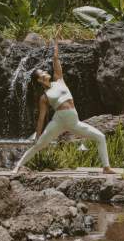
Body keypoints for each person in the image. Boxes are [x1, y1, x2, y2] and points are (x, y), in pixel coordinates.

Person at [13, 37, 115, 174]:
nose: (45, 72)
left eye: (44, 71)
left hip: (74, 123)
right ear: (39, 80)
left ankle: (106, 168)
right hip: (58, 122)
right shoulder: (44, 97)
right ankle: (17, 166)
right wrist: (37, 135)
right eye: (42, 73)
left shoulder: (59, 80)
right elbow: (41, 118)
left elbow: (56, 59)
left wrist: (56, 43)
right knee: (38, 145)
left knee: (100, 137)